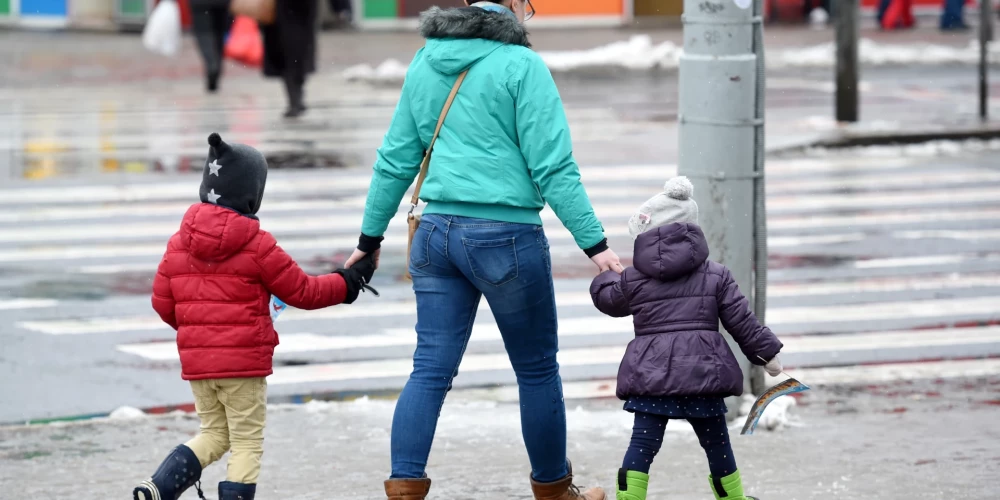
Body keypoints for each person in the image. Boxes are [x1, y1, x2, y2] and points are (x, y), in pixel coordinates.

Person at [343, 1, 620, 498]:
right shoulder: (522, 66)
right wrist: (594, 244)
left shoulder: (426, 60)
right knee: (536, 368)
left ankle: (405, 484)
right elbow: (553, 166)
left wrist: (368, 240)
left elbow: (395, 158)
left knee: (429, 367)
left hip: (434, 233)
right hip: (505, 237)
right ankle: (554, 489)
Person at [132, 133, 376, 500]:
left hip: (199, 365)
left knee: (214, 434)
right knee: (246, 441)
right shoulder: (257, 244)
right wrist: (349, 283)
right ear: (252, 193)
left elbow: (163, 303)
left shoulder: (178, 242)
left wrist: (200, 331)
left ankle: (159, 487)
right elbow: (303, 292)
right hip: (243, 365)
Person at [590, 177, 784, 500]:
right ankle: (733, 498)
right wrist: (768, 355)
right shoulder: (716, 275)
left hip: (653, 375)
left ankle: (629, 498)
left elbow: (609, 300)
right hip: (702, 375)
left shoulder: (635, 279)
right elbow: (742, 322)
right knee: (717, 443)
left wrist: (605, 277)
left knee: (643, 442)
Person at [261, 0, 318, 118]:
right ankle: (296, 97)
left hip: (292, 11)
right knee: (293, 55)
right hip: (287, 11)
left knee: (290, 55)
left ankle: (295, 98)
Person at [189, 0, 232, 92]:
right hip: (222, 3)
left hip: (200, 4)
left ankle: (212, 63)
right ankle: (216, 68)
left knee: (203, 32)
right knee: (219, 34)